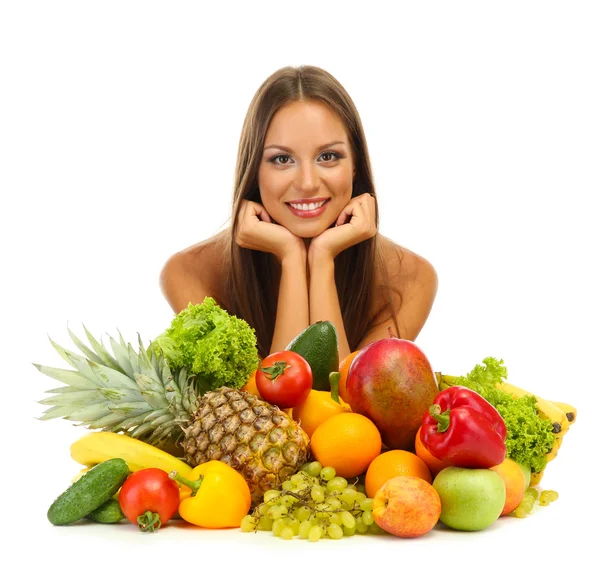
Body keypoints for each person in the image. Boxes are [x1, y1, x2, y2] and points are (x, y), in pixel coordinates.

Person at [159, 65, 438, 361]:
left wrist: (321, 260)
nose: (307, 183)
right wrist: (291, 257)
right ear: (254, 171)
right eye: (282, 159)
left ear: (355, 165)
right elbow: (272, 406)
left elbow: (342, 403)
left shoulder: (413, 279)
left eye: (328, 156)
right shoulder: (188, 272)